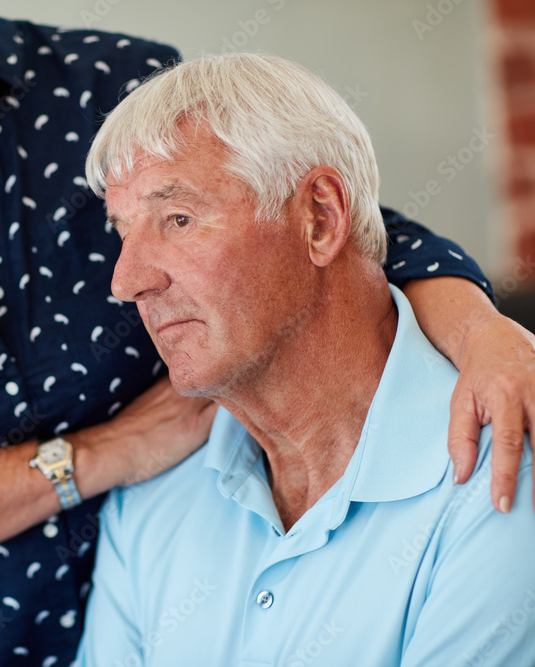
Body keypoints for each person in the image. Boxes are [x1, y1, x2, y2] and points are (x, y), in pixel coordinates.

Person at [0, 1, 535, 664]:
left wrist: (484, 324)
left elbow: (318, 219)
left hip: (196, 593)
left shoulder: (99, 85)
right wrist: (105, 454)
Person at [77, 53, 535, 666]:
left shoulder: (503, 473)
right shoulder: (149, 504)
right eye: (123, 232)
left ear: (320, 218)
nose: (126, 279)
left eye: (178, 219)